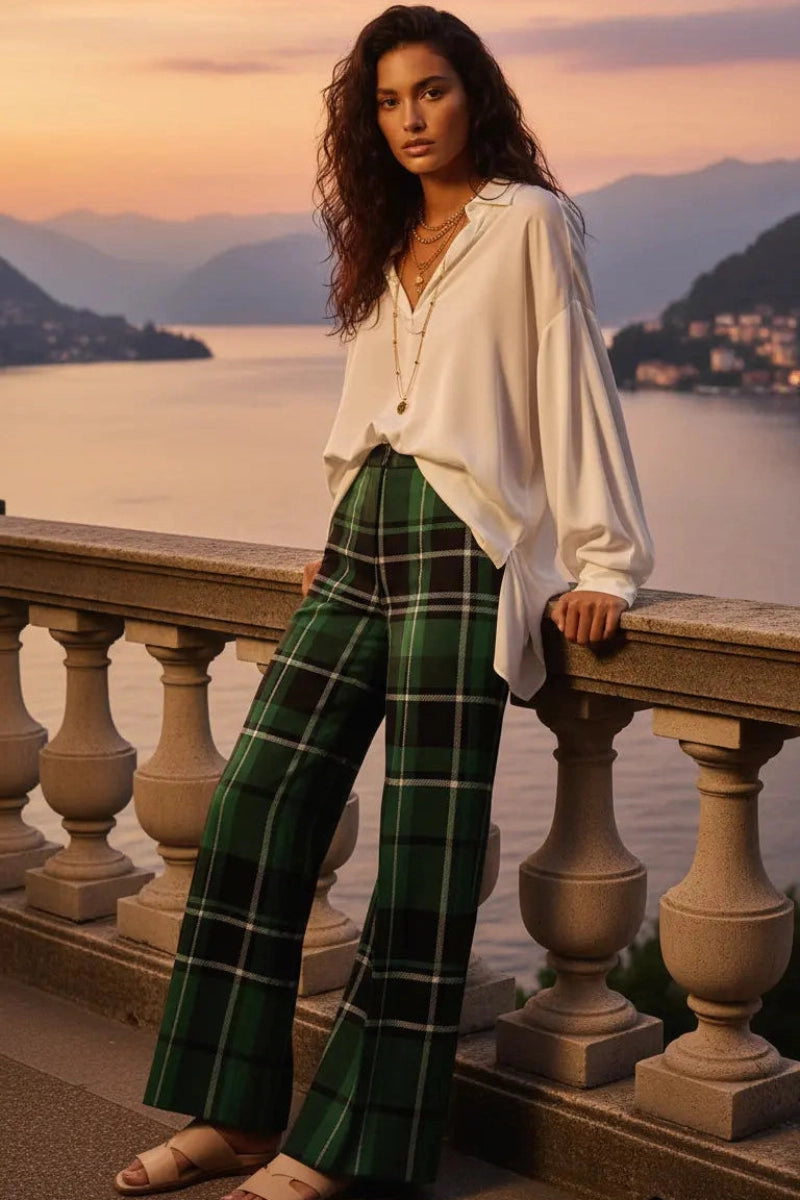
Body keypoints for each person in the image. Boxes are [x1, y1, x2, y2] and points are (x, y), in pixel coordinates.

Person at [115, 5, 653, 1199]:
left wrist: (601, 564)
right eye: (389, 101)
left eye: (433, 92)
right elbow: (374, 401)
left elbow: (570, 380)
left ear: (478, 98)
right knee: (254, 797)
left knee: (422, 845)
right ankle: (238, 1112)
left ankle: (347, 1140)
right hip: (362, 540)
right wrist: (338, 525)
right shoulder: (380, 235)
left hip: (464, 550)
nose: (411, 118)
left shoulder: (525, 220)